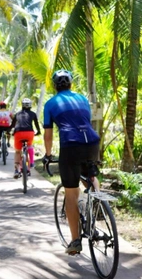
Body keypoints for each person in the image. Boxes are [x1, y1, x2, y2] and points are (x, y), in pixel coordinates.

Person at [42, 69, 100, 255]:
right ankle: (97, 205)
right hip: (91, 142)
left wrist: (48, 155)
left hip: (71, 145)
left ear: (54, 86)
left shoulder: (50, 104)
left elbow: (48, 135)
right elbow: (85, 121)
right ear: (71, 84)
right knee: (90, 176)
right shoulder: (82, 99)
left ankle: (75, 241)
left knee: (71, 192)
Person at [10, 98, 41, 179]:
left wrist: (8, 131)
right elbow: (37, 125)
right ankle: (30, 164)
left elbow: (12, 125)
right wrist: (38, 132)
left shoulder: (17, 114)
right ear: (30, 106)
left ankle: (16, 170)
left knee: (17, 152)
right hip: (29, 133)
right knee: (29, 146)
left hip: (18, 133)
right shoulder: (33, 114)